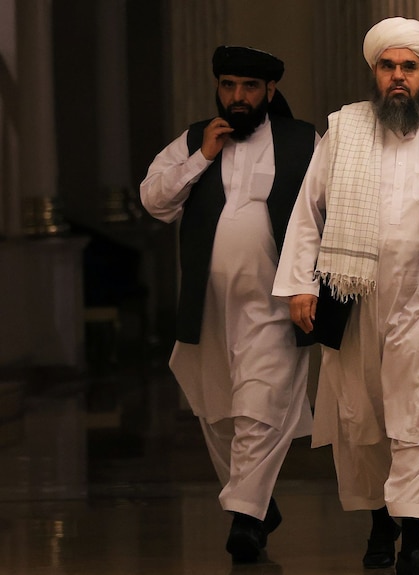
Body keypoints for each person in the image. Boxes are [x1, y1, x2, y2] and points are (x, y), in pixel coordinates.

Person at [272, 17, 419, 575]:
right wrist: (299, 285)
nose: (398, 77)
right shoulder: (345, 130)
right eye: (388, 67)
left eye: (409, 67)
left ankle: (413, 542)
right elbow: (310, 211)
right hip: (353, 300)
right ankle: (379, 522)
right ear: (375, 72)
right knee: (363, 421)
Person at [140, 46, 318, 563]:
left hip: (276, 303)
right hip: (208, 306)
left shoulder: (304, 140)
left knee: (260, 407)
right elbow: (155, 202)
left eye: (248, 87)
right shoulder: (196, 139)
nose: (237, 97)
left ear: (269, 92)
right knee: (218, 412)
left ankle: (244, 520)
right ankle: (257, 502)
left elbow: (331, 207)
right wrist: (202, 158)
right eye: (228, 86)